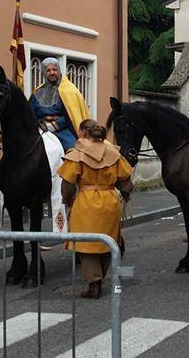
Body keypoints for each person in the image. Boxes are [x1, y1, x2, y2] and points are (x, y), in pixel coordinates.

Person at [58, 124, 134, 299]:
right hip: (109, 200)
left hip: (86, 201)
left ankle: (94, 283)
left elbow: (67, 184)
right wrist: (126, 194)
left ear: (85, 134)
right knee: (107, 241)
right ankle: (100, 277)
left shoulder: (76, 155)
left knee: (86, 244)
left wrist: (68, 199)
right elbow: (125, 181)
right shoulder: (114, 154)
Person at [30, 57, 90, 152]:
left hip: (62, 131)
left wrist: (53, 126)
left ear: (59, 71)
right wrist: (39, 125)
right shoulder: (37, 92)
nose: (52, 72)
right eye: (48, 70)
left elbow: (71, 116)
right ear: (44, 73)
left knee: (73, 150)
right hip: (40, 129)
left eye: (54, 69)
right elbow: (31, 114)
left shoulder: (69, 91)